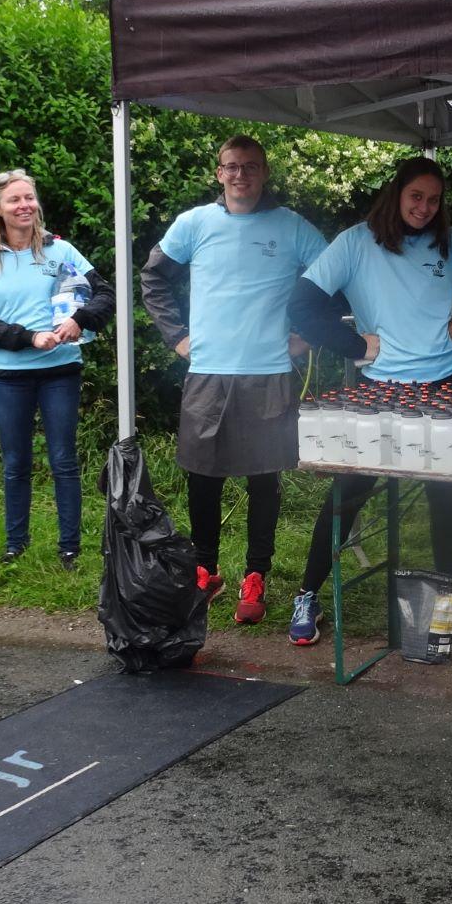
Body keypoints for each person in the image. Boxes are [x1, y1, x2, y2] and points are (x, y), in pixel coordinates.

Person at [285, 157, 452, 647]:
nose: (425, 208)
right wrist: (353, 345)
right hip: (383, 387)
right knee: (348, 489)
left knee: (444, 493)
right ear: (396, 194)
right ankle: (307, 595)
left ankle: (444, 605)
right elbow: (302, 304)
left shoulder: (449, 243)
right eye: (416, 197)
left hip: (448, 381)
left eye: (434, 200)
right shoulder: (355, 243)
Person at [140, 135, 326, 624]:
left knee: (264, 478)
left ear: (264, 172)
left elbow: (336, 277)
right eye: (232, 166)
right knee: (203, 475)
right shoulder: (194, 223)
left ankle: (256, 574)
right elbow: (153, 278)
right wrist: (177, 337)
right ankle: (205, 568)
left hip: (268, 372)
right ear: (219, 172)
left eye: (250, 166)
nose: (241, 174)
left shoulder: (291, 227)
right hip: (208, 371)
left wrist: (308, 336)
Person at [0, 169, 115, 567]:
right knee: (16, 463)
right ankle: (16, 544)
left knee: (63, 460)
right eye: (14, 199)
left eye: (29, 197)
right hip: (8, 376)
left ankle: (69, 548)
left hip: (60, 371)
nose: (24, 205)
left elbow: (105, 294)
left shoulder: (60, 250)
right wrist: (29, 337)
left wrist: (79, 320)